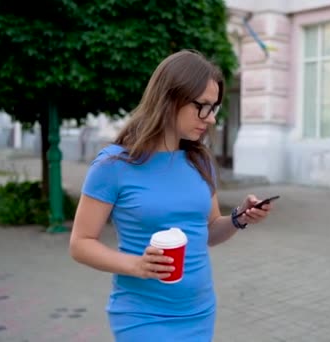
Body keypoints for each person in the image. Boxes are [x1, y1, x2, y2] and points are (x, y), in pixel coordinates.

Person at [69, 49, 274, 341]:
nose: (211, 119)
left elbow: (208, 231)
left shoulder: (200, 161)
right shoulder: (113, 165)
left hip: (200, 311)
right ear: (170, 98)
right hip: (142, 315)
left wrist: (239, 219)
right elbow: (80, 244)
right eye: (203, 106)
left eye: (214, 107)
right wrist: (136, 266)